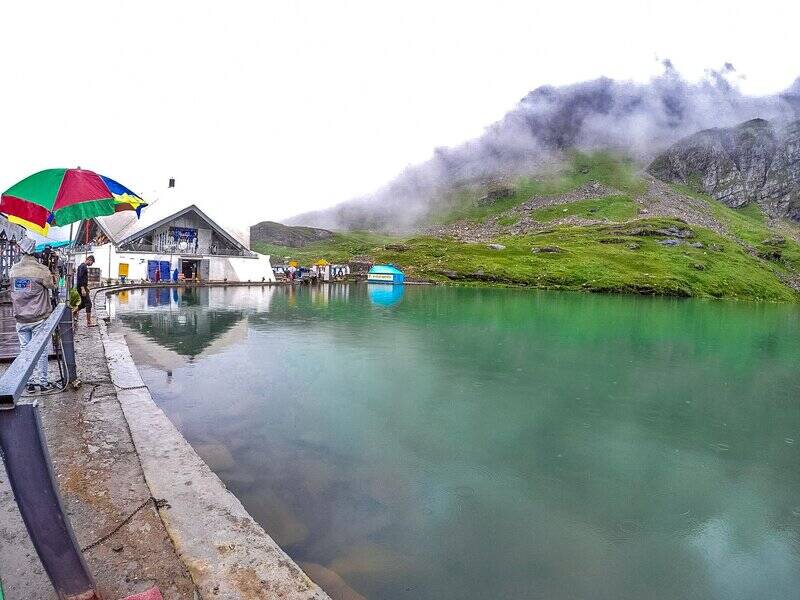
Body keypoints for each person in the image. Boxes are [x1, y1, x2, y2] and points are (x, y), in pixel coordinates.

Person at [10, 251, 56, 392]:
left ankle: (29, 383)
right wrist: (52, 269)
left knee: (25, 351)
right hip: (38, 318)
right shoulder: (41, 270)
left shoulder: (13, 269)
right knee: (41, 351)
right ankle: (43, 383)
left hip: (21, 318)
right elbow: (52, 285)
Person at [73, 255, 96, 327]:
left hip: (82, 287)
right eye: (92, 262)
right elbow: (81, 277)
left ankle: (73, 312)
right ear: (89, 260)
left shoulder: (81, 266)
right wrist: (83, 289)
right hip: (81, 288)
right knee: (89, 304)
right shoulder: (83, 267)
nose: (91, 264)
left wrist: (86, 287)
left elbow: (83, 278)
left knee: (83, 304)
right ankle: (89, 323)